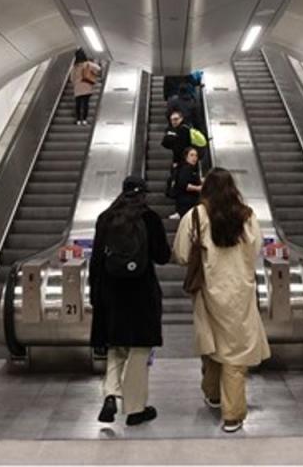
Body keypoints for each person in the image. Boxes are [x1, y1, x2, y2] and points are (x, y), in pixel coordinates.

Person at [172, 168, 270, 433]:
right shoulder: (247, 216)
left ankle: (213, 393)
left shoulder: (195, 216)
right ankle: (233, 415)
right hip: (240, 291)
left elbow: (181, 254)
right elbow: (257, 248)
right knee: (235, 352)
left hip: (208, 291)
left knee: (212, 342)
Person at [89, 175, 171, 426]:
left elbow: (96, 262)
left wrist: (95, 295)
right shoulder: (150, 218)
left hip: (111, 293)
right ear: (144, 194)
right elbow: (162, 256)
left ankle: (111, 395)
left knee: (116, 346)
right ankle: (135, 409)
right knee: (139, 349)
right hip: (141, 293)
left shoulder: (105, 218)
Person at [161, 110, 193, 197]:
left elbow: (180, 148)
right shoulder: (173, 129)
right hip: (182, 160)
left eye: (176, 119)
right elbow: (165, 144)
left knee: (181, 180)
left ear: (181, 118)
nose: (173, 122)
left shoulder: (184, 130)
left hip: (184, 161)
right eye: (172, 120)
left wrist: (176, 162)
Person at [70, 48, 101, 125]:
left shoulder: (75, 67)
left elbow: (71, 78)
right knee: (86, 103)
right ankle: (84, 119)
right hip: (87, 86)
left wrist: (75, 83)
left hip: (78, 88)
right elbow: (98, 68)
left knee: (78, 104)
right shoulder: (88, 64)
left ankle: (78, 120)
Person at [172, 147, 201, 219]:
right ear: (186, 157)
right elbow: (183, 185)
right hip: (186, 203)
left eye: (196, 155)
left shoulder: (189, 168)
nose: (194, 158)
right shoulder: (186, 168)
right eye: (191, 155)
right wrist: (198, 188)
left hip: (186, 203)